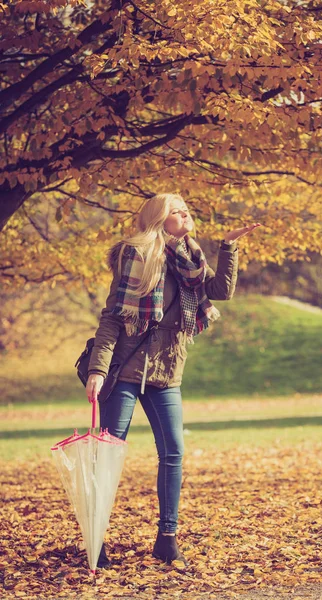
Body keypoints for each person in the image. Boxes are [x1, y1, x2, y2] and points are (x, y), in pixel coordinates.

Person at [86, 192, 260, 568]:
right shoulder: (137, 255)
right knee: (109, 456)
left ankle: (167, 538)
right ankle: (96, 539)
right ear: (160, 219)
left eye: (186, 209)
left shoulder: (190, 258)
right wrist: (98, 370)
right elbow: (114, 317)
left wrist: (228, 246)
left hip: (166, 371)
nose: (185, 213)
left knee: (174, 453)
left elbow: (220, 292)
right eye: (176, 211)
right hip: (127, 370)